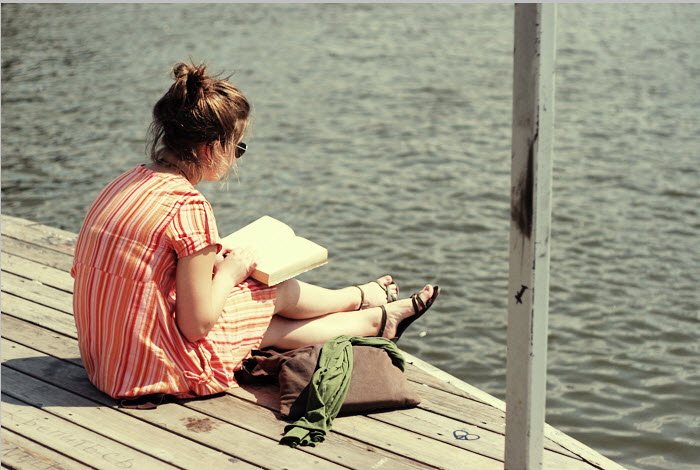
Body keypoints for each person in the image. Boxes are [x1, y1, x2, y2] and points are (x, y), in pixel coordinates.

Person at [71, 61, 439, 400]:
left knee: (260, 319)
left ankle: (369, 311)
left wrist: (213, 263)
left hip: (107, 362)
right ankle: (367, 308)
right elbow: (196, 326)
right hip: (157, 370)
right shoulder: (188, 206)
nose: (237, 157)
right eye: (238, 147)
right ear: (211, 147)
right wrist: (230, 272)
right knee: (268, 291)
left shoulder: (125, 182)